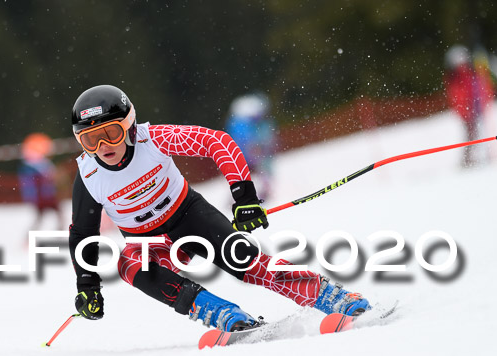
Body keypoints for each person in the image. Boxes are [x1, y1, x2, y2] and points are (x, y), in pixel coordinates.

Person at [68, 85, 370, 331]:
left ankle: (332, 297)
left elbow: (217, 143)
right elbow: (83, 234)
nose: (103, 146)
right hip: (147, 241)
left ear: (130, 126)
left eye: (112, 133)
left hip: (189, 217)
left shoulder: (154, 138)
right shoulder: (88, 176)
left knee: (245, 262)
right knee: (129, 264)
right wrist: (88, 285)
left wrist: (245, 198)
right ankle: (222, 314)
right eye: (90, 140)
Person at [444, 45, 495, 167]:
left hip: (476, 109)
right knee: (471, 135)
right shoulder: (456, 78)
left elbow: (482, 87)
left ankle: (477, 157)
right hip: (468, 112)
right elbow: (458, 97)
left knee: (476, 134)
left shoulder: (471, 74)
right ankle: (467, 160)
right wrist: (465, 111)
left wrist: (485, 100)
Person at [225, 92, 278, 199]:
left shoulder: (236, 122)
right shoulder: (244, 123)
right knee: (261, 170)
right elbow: (248, 137)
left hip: (242, 153)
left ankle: (239, 195)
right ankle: (262, 190)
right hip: (249, 152)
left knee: (241, 175)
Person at [18, 133, 61, 230]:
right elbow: (49, 179)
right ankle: (61, 234)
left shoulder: (31, 166)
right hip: (44, 197)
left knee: (43, 217)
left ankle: (29, 238)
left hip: (42, 197)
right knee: (54, 215)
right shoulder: (36, 167)